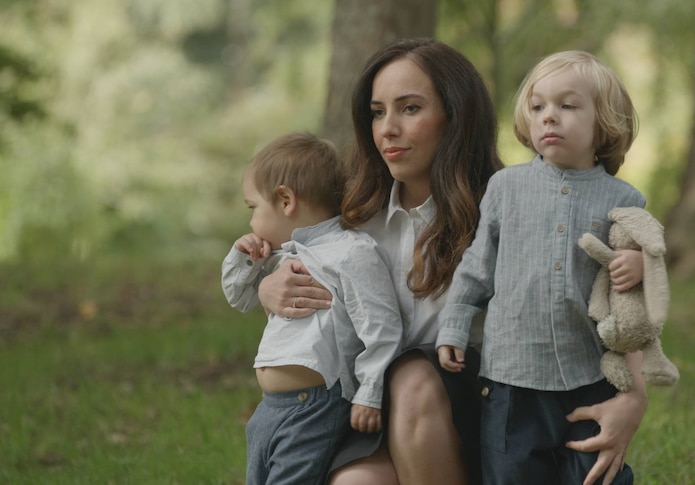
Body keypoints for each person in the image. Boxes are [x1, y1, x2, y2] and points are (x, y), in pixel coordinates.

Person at [258, 39, 646, 485]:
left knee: (414, 379)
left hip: (482, 410)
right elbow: (277, 252)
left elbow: (611, 296)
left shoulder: (509, 203)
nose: (387, 128)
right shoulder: (351, 217)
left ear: (455, 116)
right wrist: (271, 285)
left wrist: (633, 399)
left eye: (409, 109)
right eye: (377, 111)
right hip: (363, 410)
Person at [436, 50, 649, 485]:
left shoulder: (624, 201)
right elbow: (478, 267)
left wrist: (640, 264)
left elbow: (640, 294)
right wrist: (455, 324)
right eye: (538, 107)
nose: (549, 117)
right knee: (513, 474)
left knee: (595, 474)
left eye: (568, 106)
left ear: (602, 123)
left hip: (588, 373)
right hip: (513, 377)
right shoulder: (505, 188)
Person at [221, 132, 402, 485]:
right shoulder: (280, 257)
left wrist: (369, 392)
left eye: (253, 208)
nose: (251, 222)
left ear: (285, 199)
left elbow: (381, 327)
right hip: (271, 408)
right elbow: (237, 296)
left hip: (314, 406)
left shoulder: (351, 252)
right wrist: (242, 259)